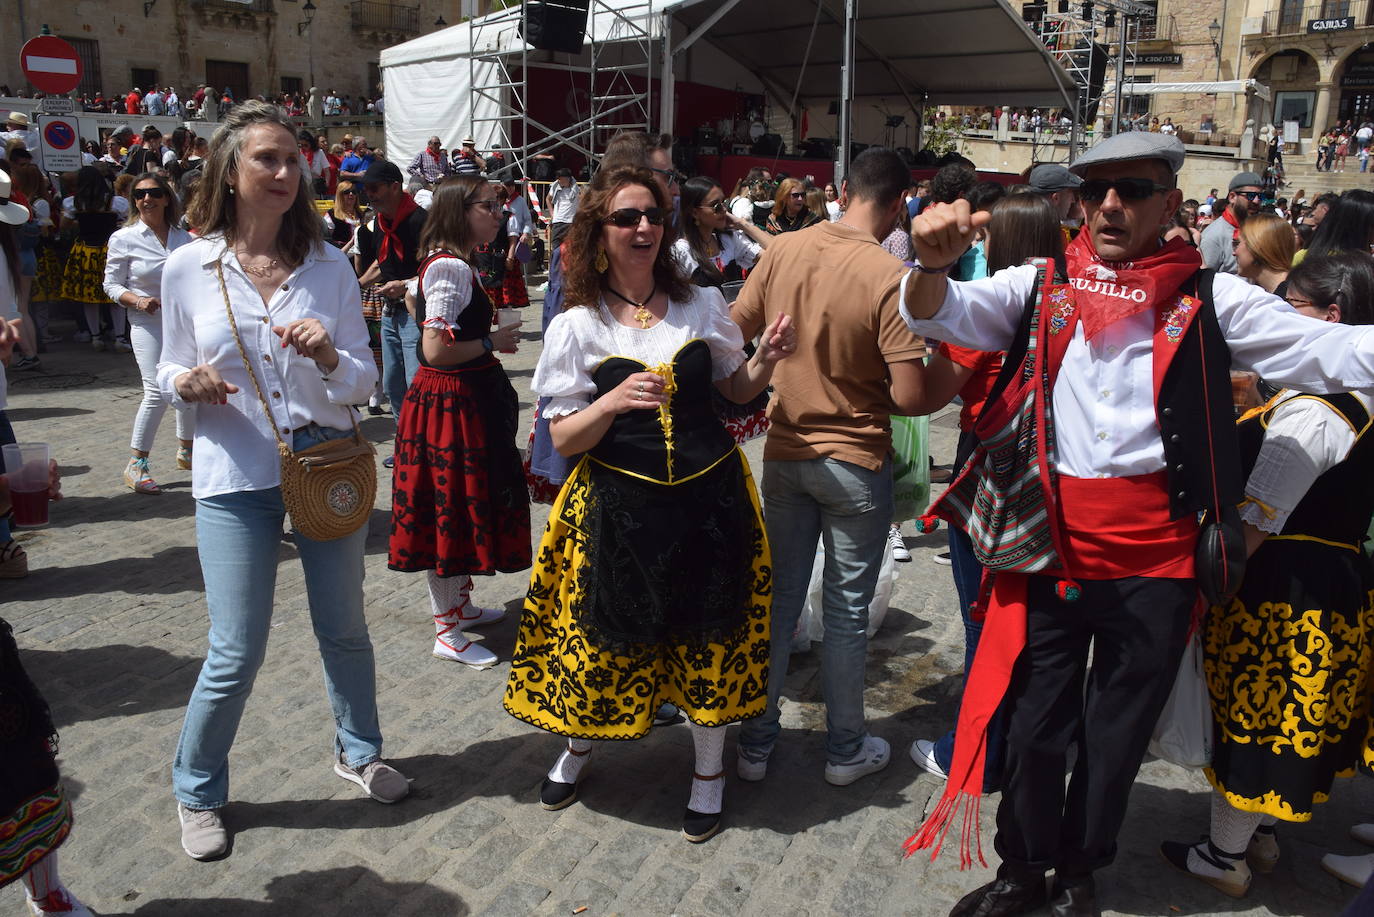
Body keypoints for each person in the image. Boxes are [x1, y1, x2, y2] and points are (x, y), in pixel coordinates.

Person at [902, 130, 1374, 917]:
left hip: (1157, 567)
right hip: (1051, 552)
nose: (1112, 205)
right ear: (1080, 202)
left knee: (1115, 735)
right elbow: (945, 312)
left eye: (1133, 190)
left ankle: (1080, 870)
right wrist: (928, 266)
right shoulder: (1042, 282)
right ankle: (1023, 867)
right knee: (1035, 723)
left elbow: (1333, 352)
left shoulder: (1212, 296)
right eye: (1097, 191)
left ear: (1169, 204)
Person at [504, 165, 795, 843]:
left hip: (709, 498)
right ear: (598, 232)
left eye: (654, 216)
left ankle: (708, 771)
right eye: (627, 217)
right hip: (616, 505)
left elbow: (738, 390)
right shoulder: (577, 325)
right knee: (599, 634)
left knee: (707, 633)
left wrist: (769, 358)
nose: (644, 228)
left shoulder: (700, 303)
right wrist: (609, 401)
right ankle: (579, 745)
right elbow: (563, 436)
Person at [156, 101, 409, 862]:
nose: (284, 171)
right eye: (266, 158)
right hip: (234, 474)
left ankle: (359, 751)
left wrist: (331, 355)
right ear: (229, 170)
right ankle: (198, 788)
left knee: (345, 626)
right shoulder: (189, 266)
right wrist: (186, 383)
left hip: (325, 462)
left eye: (293, 159)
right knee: (235, 648)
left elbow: (363, 380)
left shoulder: (330, 265)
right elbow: (166, 368)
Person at [1160, 252, 1374, 899]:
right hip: (1328, 583)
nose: (1277, 318)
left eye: (1290, 307)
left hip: (1281, 593)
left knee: (1256, 720)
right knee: (1287, 721)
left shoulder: (1316, 410)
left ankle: (1224, 854)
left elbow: (1258, 516)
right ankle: (1261, 835)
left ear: (1330, 317)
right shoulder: (1352, 396)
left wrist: (1205, 586)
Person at [732, 148, 928, 787]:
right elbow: (909, 397)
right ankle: (845, 750)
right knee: (846, 616)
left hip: (786, 453)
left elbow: (732, 331)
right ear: (899, 205)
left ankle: (755, 743)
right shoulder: (890, 275)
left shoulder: (784, 249)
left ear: (844, 189)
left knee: (780, 601)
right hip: (855, 460)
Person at [908, 192, 1065, 790]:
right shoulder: (1069, 306)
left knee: (986, 620)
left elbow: (921, 397)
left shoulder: (984, 316)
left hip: (992, 472)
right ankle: (1037, 742)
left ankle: (973, 755)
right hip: (1056, 475)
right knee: (1041, 624)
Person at [388, 176, 530, 668]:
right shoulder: (449, 265)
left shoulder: (448, 262)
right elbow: (435, 350)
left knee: (462, 503)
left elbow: (417, 305)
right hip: (449, 405)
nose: (498, 213)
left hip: (458, 401)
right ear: (460, 210)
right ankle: (446, 631)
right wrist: (493, 341)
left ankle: (460, 607)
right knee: (449, 508)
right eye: (489, 205)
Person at [103, 172, 194, 495]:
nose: (147, 199)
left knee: (189, 384)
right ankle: (136, 463)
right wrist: (138, 301)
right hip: (147, 323)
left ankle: (187, 450)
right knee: (156, 392)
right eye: (139, 194)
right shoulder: (124, 238)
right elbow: (111, 285)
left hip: (182, 322)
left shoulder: (185, 238)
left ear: (167, 197)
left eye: (154, 192)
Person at [353, 159, 427, 428]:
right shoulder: (381, 223)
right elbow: (381, 264)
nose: (368, 195)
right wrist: (356, 287)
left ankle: (421, 442)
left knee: (415, 382)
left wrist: (405, 285)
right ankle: (404, 439)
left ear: (395, 187)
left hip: (414, 312)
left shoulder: (421, 221)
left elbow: (438, 268)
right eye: (365, 189)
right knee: (392, 383)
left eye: (374, 188)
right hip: (390, 312)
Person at [60, 167, 125, 351]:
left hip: (85, 251)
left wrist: (79, 221)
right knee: (115, 294)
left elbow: (64, 225)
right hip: (109, 250)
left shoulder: (73, 203)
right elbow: (128, 221)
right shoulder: (114, 202)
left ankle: (96, 337)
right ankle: (119, 338)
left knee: (89, 297)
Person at [1200, 171, 1263, 274]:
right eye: (1251, 196)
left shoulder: (1256, 230)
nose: (1256, 201)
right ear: (1232, 197)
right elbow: (1205, 279)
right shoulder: (1213, 236)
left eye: (1260, 196)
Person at [1233, 211, 1295, 296]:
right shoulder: (1256, 291)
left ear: (1256, 246)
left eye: (1237, 243)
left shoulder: (1294, 298)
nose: (1234, 252)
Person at [545, 168, 580, 249]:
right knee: (556, 248)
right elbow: (548, 199)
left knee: (571, 248)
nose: (559, 180)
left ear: (567, 178)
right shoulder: (555, 187)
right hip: (558, 221)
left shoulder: (576, 190)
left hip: (571, 222)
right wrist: (552, 214)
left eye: (561, 178)